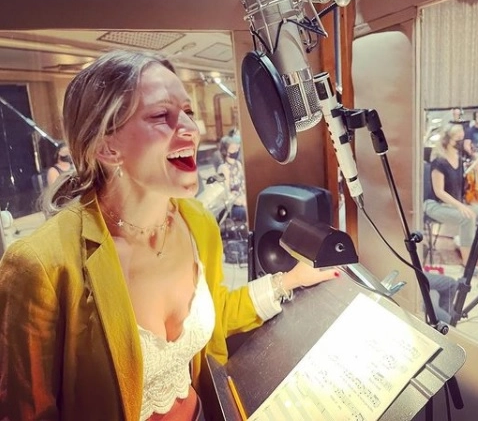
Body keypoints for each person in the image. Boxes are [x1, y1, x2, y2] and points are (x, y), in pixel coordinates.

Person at [0, 50, 338, 420]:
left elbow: (215, 316)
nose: (192, 129)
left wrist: (289, 280)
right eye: (162, 115)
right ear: (107, 147)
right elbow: (28, 410)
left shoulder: (197, 222)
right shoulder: (40, 264)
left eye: (188, 111)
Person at [424, 123, 478, 265]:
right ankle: (467, 263)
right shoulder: (439, 162)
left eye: (462, 138)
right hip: (435, 205)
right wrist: (460, 206)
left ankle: (477, 247)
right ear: (447, 141)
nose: (461, 142)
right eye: (458, 139)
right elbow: (439, 192)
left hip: (454, 204)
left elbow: (461, 187)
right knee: (467, 218)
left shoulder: (459, 159)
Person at [216, 135, 247, 222]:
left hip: (243, 201)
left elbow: (243, 185)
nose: (236, 151)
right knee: (247, 212)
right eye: (233, 149)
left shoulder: (238, 164)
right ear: (225, 151)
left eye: (236, 148)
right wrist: (240, 202)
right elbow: (225, 195)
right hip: (232, 207)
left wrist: (246, 199)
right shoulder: (223, 169)